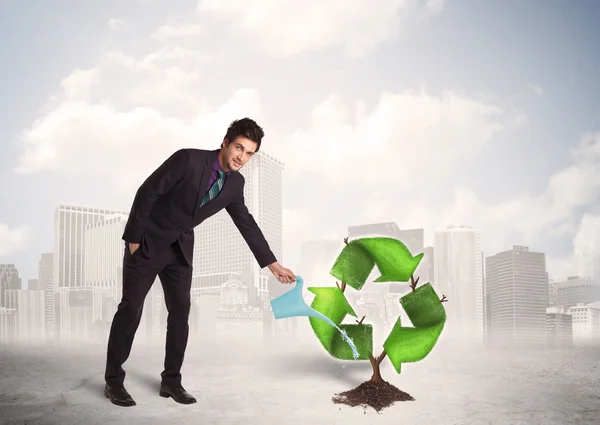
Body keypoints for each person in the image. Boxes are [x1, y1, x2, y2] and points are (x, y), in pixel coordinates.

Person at [104, 118, 296, 407]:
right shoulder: (188, 159)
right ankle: (113, 382)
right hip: (147, 243)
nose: (241, 158)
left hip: (179, 250)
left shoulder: (235, 183)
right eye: (239, 148)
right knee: (131, 309)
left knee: (181, 312)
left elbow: (246, 222)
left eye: (249, 154)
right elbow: (148, 191)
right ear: (225, 142)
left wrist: (273, 264)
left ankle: (171, 381)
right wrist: (133, 239)